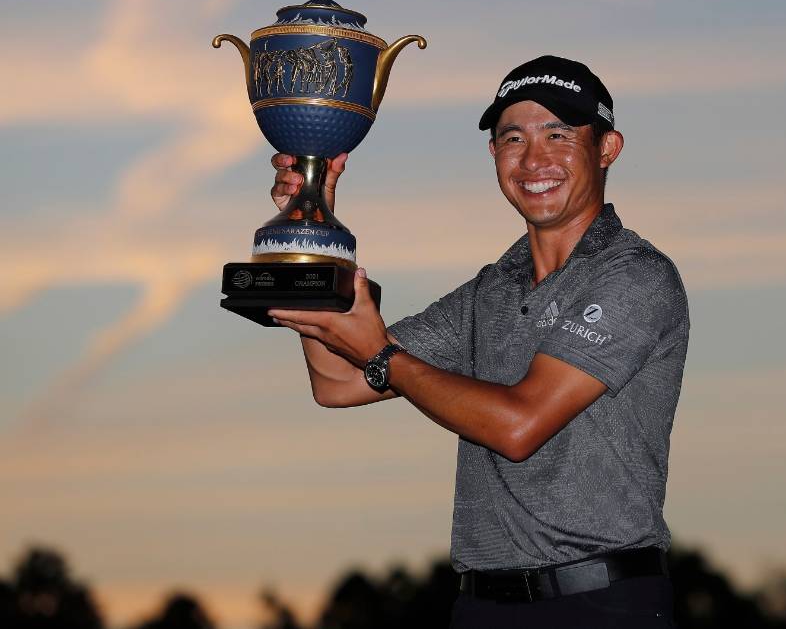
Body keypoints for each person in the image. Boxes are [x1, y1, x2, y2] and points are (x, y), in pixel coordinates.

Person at [267, 55, 690, 628]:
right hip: (480, 606)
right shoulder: (490, 290)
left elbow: (519, 427)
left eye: (559, 135)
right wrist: (312, 229)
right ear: (494, 154)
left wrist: (382, 355)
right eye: (513, 138)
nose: (533, 159)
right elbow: (338, 382)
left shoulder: (637, 276)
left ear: (607, 148)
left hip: (600, 603)